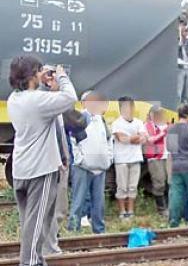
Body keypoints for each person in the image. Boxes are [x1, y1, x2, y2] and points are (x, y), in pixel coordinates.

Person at [7, 57, 77, 266]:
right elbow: (70, 97)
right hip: (41, 170)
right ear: (30, 75)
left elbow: (40, 100)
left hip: (21, 170)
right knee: (37, 224)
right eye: (38, 71)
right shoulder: (37, 101)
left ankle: (36, 261)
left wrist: (43, 78)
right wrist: (61, 75)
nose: (41, 74)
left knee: (30, 222)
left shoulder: (14, 98)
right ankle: (29, 263)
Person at [67, 91, 112, 233]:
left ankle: (99, 229)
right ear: (84, 103)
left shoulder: (101, 120)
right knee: (78, 200)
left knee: (99, 202)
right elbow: (73, 141)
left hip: (100, 167)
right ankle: (74, 228)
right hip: (82, 167)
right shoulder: (80, 119)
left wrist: (108, 159)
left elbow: (109, 140)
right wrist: (79, 159)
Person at [111, 96, 148, 219]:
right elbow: (122, 139)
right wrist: (134, 137)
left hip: (135, 158)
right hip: (121, 159)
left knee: (133, 186)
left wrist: (131, 138)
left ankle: (130, 210)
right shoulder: (116, 123)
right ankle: (122, 211)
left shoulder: (139, 122)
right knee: (122, 186)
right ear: (121, 108)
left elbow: (143, 138)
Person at [144, 105, 170, 216]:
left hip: (168, 156)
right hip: (155, 158)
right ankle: (161, 209)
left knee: (170, 182)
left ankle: (170, 207)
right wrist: (163, 133)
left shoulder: (167, 125)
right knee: (159, 182)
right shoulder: (146, 126)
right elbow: (150, 140)